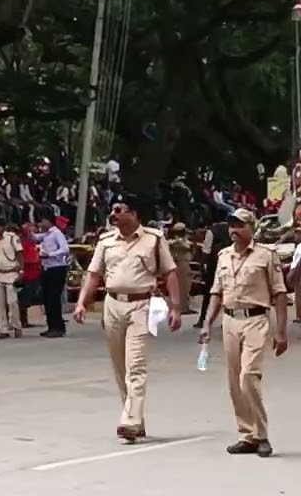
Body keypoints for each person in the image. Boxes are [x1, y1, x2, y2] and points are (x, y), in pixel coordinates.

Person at [72, 193, 181, 443]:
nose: (114, 214)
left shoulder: (154, 239)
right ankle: (135, 419)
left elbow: (171, 273)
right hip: (112, 305)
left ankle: (130, 421)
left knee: (136, 366)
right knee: (120, 366)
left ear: (134, 214)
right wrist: (81, 303)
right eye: (113, 209)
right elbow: (93, 274)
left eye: (119, 210)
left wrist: (176, 308)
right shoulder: (105, 241)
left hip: (141, 304)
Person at [198, 208, 288, 457]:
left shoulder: (266, 256)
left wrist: (281, 332)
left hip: (256, 320)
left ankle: (261, 434)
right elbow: (216, 292)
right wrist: (207, 324)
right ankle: (246, 434)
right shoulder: (224, 256)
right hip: (230, 321)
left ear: (252, 228)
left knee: (249, 376)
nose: (234, 231)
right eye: (231, 226)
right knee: (234, 380)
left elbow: (279, 293)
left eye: (240, 226)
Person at [33, 215, 70, 338]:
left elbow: (65, 249)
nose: (41, 224)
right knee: (47, 298)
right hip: (47, 268)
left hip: (57, 268)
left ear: (49, 221)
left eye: (42, 220)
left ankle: (58, 327)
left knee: (53, 298)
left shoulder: (56, 233)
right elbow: (33, 238)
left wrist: (50, 254)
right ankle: (51, 326)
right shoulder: (46, 234)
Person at [0, 224, 22, 338]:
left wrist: (21, 271)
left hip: (11, 273)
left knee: (12, 302)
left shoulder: (12, 238)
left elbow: (19, 253)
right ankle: (3, 329)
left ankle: (17, 326)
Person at [168, 222, 195, 315]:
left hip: (185, 263)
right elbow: (186, 246)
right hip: (179, 263)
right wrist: (178, 240)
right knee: (181, 287)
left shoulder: (184, 240)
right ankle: (181, 308)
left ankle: (185, 306)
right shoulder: (174, 241)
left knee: (186, 286)